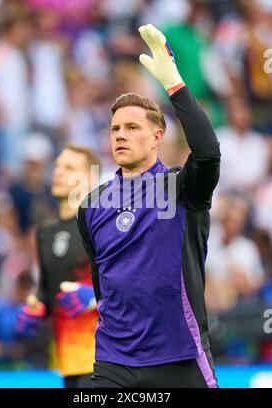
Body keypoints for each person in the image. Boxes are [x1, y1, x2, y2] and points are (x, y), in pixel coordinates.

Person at [77, 24, 221, 388]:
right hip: (114, 362)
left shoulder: (181, 189)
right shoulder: (92, 205)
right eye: (114, 129)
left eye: (131, 127)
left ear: (158, 137)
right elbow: (102, 283)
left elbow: (207, 152)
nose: (120, 135)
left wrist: (175, 85)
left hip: (179, 356)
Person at [16, 144, 101, 388]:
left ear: (90, 177)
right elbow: (47, 290)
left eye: (69, 167)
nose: (58, 172)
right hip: (65, 360)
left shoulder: (103, 226)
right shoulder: (45, 232)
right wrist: (38, 308)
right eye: (57, 166)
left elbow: (129, 282)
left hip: (105, 359)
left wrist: (95, 296)